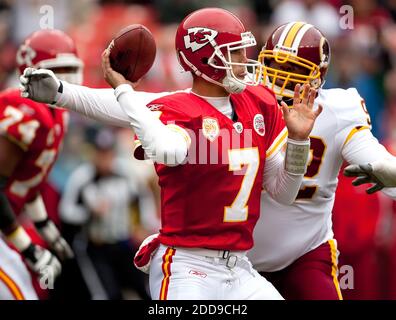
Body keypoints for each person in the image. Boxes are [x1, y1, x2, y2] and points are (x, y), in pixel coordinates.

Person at [19, 8, 322, 300]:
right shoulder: (179, 108)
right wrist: (67, 92)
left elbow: (284, 193)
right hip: (188, 267)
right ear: (206, 57)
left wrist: (298, 141)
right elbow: (165, 148)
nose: (245, 61)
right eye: (236, 53)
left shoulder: (258, 104)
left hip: (239, 267)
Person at [247, 21, 396, 300]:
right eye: (274, 67)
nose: (280, 79)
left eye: (293, 71)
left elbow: (375, 158)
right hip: (239, 258)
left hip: (305, 252)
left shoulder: (337, 110)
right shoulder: (241, 103)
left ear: (317, 78)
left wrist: (391, 173)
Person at [0, 29, 83, 300]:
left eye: (71, 70)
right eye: (58, 72)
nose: (67, 81)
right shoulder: (26, 110)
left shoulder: (55, 117)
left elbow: (28, 181)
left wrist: (45, 226)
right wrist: (28, 248)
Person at [59, 128, 157, 300]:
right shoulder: (82, 177)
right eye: (100, 153)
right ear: (93, 154)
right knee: (107, 293)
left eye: (108, 153)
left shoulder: (126, 174)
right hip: (96, 246)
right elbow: (66, 211)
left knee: (144, 289)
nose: (104, 159)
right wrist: (89, 212)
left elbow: (143, 198)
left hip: (124, 243)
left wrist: (144, 225)